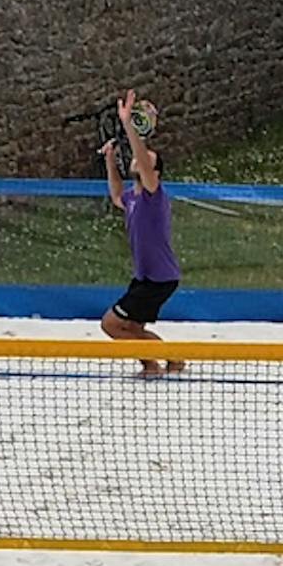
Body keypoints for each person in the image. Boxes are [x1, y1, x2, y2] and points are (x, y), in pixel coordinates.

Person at [98, 88, 180, 374]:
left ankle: (167, 359)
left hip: (158, 278)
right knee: (131, 327)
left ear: (154, 173)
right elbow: (117, 196)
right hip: (146, 277)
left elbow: (142, 159)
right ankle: (162, 362)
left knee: (110, 324)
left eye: (147, 159)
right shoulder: (133, 198)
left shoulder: (153, 196)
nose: (142, 159)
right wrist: (110, 160)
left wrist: (128, 126)